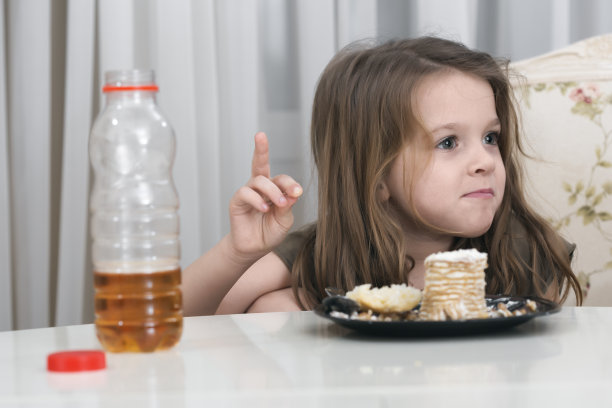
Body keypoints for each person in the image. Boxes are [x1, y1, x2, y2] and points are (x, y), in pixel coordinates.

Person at [183, 36, 582, 316]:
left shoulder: (521, 250)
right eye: (448, 143)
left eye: (490, 137)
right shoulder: (323, 250)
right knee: (271, 306)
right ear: (376, 177)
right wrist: (237, 253)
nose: (486, 162)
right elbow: (175, 319)